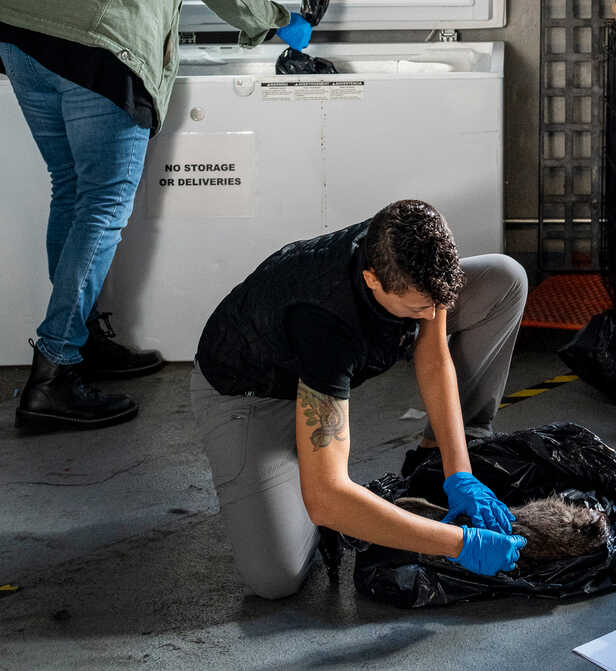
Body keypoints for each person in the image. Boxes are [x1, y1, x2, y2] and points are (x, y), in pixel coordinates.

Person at [0, 0, 313, 432]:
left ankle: (80, 342)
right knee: (104, 209)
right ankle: (53, 373)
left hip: (22, 34)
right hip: (100, 49)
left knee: (72, 190)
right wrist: (284, 21)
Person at [190, 199, 529, 599]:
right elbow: (327, 499)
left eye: (437, 304)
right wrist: (458, 544)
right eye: (421, 307)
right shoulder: (326, 325)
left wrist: (459, 472)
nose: (432, 314)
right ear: (372, 279)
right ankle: (291, 476)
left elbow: (435, 358)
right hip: (252, 396)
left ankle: (436, 457)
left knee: (504, 278)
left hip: (324, 361)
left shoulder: (410, 238)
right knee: (275, 577)